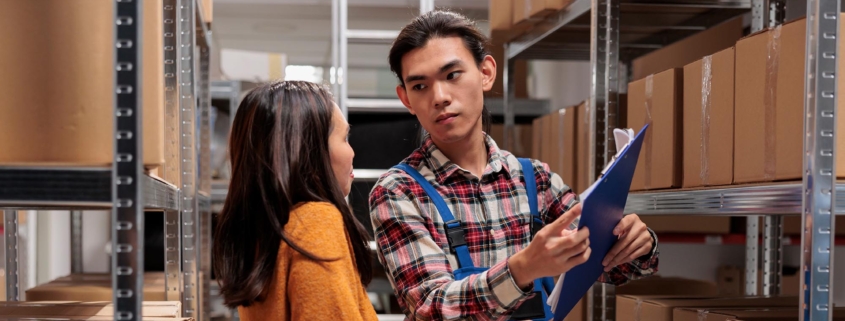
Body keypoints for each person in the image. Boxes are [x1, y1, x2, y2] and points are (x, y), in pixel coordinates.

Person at [369, 10, 660, 320]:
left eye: (452, 75)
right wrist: (524, 268)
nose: (439, 97)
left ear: (486, 72)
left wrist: (635, 242)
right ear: (406, 99)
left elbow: (613, 269)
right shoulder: (398, 192)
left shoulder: (536, 180)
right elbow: (432, 308)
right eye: (420, 86)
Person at [212, 81, 378, 321]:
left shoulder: (265, 228)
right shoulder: (315, 222)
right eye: (344, 138)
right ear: (307, 151)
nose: (352, 152)